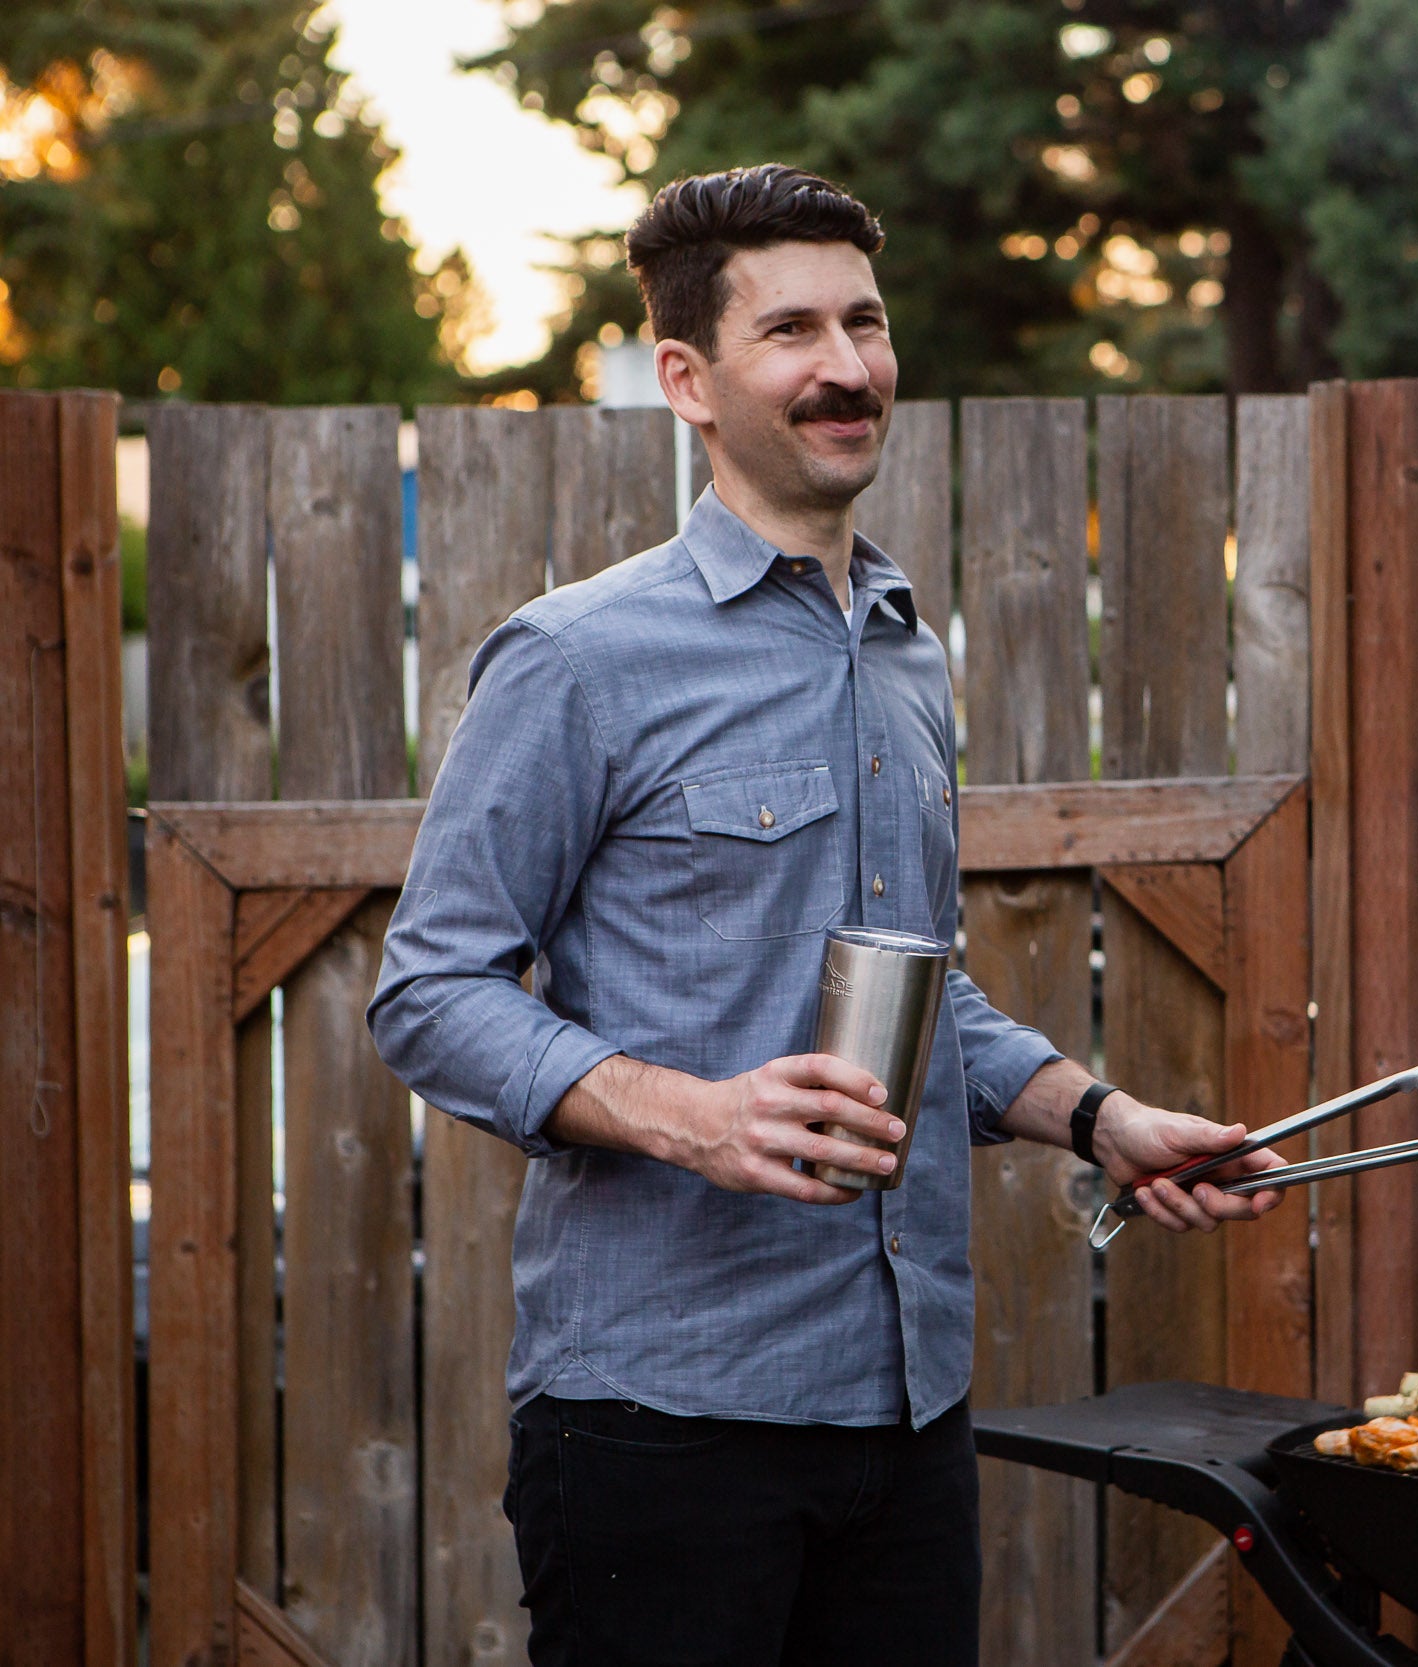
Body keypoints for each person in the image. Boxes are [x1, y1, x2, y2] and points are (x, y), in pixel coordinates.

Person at [366, 164, 1284, 1667]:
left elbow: (928, 993)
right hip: (665, 1423)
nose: (847, 367)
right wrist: (689, 1115)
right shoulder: (579, 658)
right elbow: (430, 991)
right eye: (790, 330)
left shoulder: (905, 652)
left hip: (904, 1409)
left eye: (863, 322)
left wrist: (1093, 1114)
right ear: (689, 378)